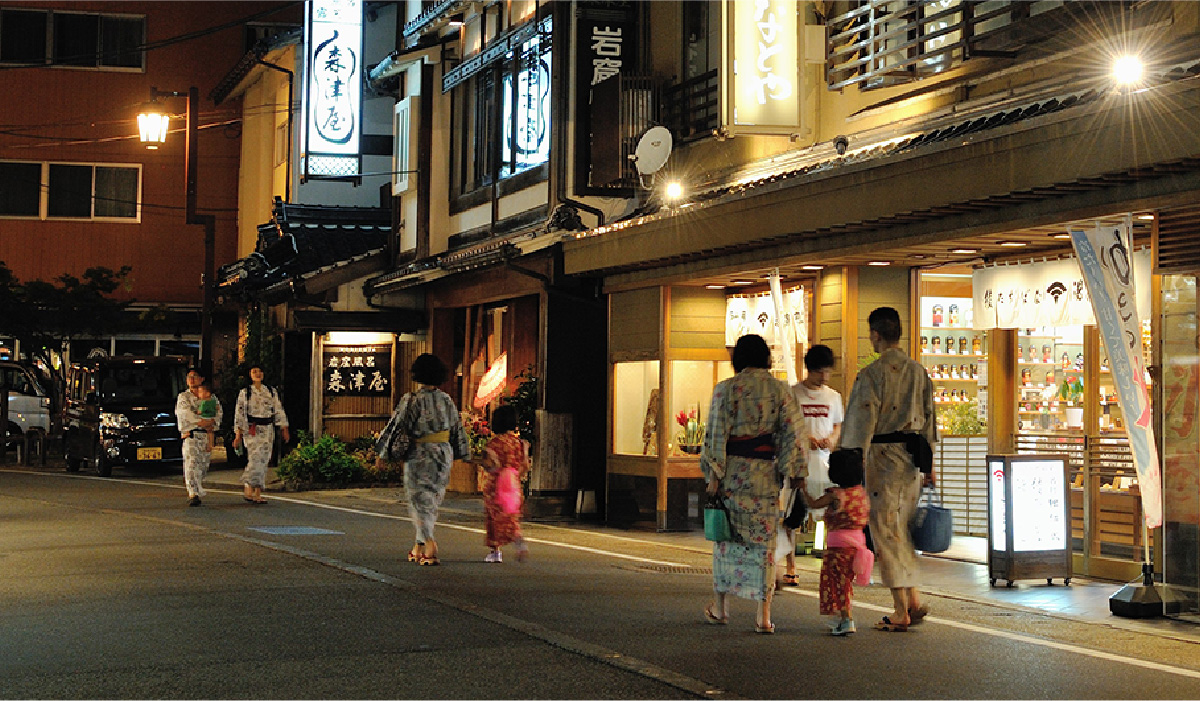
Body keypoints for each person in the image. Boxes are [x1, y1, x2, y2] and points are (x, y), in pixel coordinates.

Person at [700, 334, 806, 634]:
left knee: (726, 541)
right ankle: (764, 616)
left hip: (732, 477)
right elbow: (793, 435)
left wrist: (713, 474)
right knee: (764, 545)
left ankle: (721, 607)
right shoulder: (781, 391)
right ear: (766, 358)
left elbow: (715, 435)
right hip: (765, 478)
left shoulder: (726, 390)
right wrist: (794, 470)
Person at [839, 306, 937, 632]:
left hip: (883, 457)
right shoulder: (919, 372)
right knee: (900, 531)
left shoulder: (871, 375)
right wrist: (930, 464)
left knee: (885, 531)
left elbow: (860, 422)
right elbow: (930, 420)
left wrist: (848, 461)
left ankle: (900, 610)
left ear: (876, 335)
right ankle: (913, 597)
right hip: (912, 460)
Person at [375, 353, 470, 566]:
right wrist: (463, 453)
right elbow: (457, 428)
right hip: (443, 452)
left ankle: (429, 543)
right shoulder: (446, 399)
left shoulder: (412, 400)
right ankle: (418, 545)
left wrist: (384, 454)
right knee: (432, 499)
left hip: (420, 452)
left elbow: (397, 426)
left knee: (419, 499)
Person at [781, 344, 844, 586]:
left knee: (830, 514)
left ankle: (829, 563)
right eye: (820, 372)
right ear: (810, 369)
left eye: (828, 372)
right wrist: (806, 439)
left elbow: (838, 424)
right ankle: (791, 566)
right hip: (799, 465)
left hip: (826, 464)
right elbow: (787, 426)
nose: (825, 377)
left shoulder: (833, 397)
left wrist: (832, 439)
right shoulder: (793, 394)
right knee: (793, 516)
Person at [805, 448, 872, 636]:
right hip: (858, 545)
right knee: (847, 583)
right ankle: (844, 617)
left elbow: (813, 504)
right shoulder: (860, 493)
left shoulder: (835, 495)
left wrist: (801, 488)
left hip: (838, 548)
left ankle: (846, 618)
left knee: (838, 584)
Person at [480, 404, 531, 563]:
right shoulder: (520, 444)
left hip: (496, 485)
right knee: (511, 515)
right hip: (514, 485)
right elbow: (525, 466)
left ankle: (496, 551)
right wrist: (516, 477)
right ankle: (517, 538)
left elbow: (490, 465)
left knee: (494, 517)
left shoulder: (493, 444)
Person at [232, 365, 290, 505]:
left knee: (264, 460)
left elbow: (278, 409)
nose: (257, 374)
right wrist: (238, 434)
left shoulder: (271, 391)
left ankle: (257, 492)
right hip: (252, 429)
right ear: (250, 375)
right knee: (254, 458)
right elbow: (239, 413)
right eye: (254, 372)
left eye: (259, 371)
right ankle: (248, 486)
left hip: (268, 428)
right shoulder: (245, 393)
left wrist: (284, 427)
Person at [176, 368, 222, 507]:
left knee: (203, 465)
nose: (191, 379)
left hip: (206, 434)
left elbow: (218, 413)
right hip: (192, 433)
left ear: (201, 379)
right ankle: (193, 493)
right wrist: (199, 421)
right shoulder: (184, 397)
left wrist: (212, 423)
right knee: (191, 464)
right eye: (189, 376)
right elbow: (184, 414)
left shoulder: (211, 397)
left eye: (195, 376)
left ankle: (197, 486)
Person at [192, 383, 218, 453]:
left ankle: (208, 445)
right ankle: (211, 444)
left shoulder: (204, 403)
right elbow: (217, 408)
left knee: (207, 432)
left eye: (200, 392)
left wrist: (195, 412)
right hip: (211, 417)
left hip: (205, 418)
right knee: (211, 432)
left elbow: (200, 412)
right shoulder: (213, 401)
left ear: (207, 394)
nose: (199, 394)